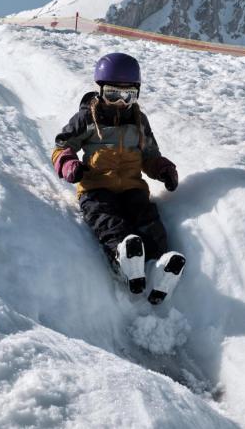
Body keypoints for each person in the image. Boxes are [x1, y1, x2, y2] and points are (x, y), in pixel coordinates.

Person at [52, 53, 185, 305]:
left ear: (136, 93)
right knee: (111, 223)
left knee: (148, 221)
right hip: (95, 188)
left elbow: (149, 155)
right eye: (113, 94)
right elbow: (61, 146)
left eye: (128, 96)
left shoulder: (139, 120)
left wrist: (163, 169)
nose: (120, 103)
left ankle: (159, 266)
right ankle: (122, 259)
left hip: (133, 187)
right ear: (100, 90)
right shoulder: (87, 118)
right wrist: (70, 164)